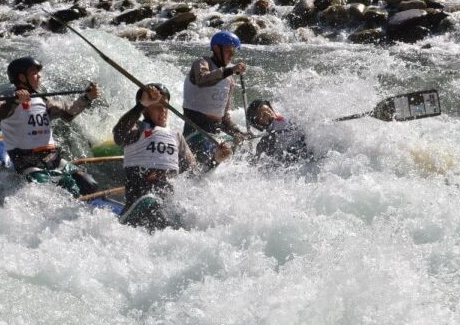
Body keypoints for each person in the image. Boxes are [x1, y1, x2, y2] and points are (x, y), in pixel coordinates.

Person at [112, 83, 231, 229]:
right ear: (145, 110)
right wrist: (140, 105)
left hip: (165, 205)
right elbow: (118, 135)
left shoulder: (176, 137)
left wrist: (216, 160)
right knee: (151, 204)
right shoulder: (137, 128)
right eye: (157, 106)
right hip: (140, 203)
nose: (163, 111)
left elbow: (195, 174)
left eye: (165, 107)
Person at [0, 56, 100, 197]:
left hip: (53, 158)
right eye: (34, 73)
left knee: (89, 184)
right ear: (22, 78)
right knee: (52, 194)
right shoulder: (5, 100)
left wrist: (87, 98)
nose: (39, 76)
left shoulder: (43, 100)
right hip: (27, 163)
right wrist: (15, 102)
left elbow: (68, 113)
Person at [182, 30, 247, 168]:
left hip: (215, 131)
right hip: (195, 129)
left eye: (234, 52)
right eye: (229, 51)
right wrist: (229, 70)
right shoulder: (201, 62)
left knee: (239, 151)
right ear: (217, 48)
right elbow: (203, 80)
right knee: (210, 153)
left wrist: (238, 133)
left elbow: (224, 118)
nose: (232, 55)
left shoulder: (229, 79)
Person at [245, 99, 311, 163]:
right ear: (259, 125)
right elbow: (256, 162)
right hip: (295, 156)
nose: (268, 114)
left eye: (268, 110)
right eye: (263, 115)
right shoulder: (265, 142)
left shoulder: (289, 113)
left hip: (307, 143)